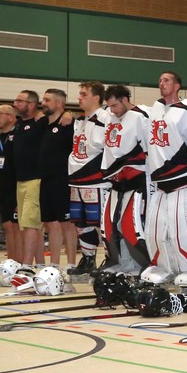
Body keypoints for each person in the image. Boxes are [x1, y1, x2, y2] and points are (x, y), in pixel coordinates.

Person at [144, 71, 187, 290]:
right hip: (159, 181)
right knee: (154, 230)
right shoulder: (155, 109)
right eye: (160, 80)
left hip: (181, 178)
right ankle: (164, 266)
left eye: (167, 80)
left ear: (178, 85)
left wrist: (176, 164)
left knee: (182, 229)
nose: (162, 83)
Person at [100, 85, 152, 275]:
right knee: (111, 225)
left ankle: (145, 264)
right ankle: (123, 264)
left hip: (137, 180)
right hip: (115, 181)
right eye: (109, 106)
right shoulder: (109, 115)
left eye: (115, 105)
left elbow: (149, 150)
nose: (112, 110)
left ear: (124, 100)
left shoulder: (140, 117)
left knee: (133, 226)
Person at [68, 82, 110, 275]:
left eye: (84, 94)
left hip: (97, 181)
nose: (79, 97)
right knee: (81, 223)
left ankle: (111, 259)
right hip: (77, 179)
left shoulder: (106, 117)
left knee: (102, 222)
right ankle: (88, 259)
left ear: (96, 97)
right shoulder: (80, 121)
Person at [37, 89, 77, 272]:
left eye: (47, 100)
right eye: (43, 100)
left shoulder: (70, 123)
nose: (43, 103)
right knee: (50, 223)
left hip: (63, 181)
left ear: (59, 103)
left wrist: (70, 113)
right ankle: (54, 265)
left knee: (67, 224)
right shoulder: (43, 124)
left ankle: (71, 265)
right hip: (46, 181)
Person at [11, 89, 46, 266]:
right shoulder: (18, 124)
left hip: (35, 179)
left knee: (31, 223)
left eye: (20, 101)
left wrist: (67, 114)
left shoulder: (41, 122)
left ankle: (26, 265)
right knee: (26, 224)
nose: (15, 104)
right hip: (21, 180)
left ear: (31, 105)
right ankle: (39, 263)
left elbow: (61, 116)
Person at [0, 104, 21, 264]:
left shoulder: (19, 135)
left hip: (16, 188)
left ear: (10, 116)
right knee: (8, 227)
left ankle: (21, 262)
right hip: (2, 189)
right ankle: (11, 262)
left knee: (17, 227)